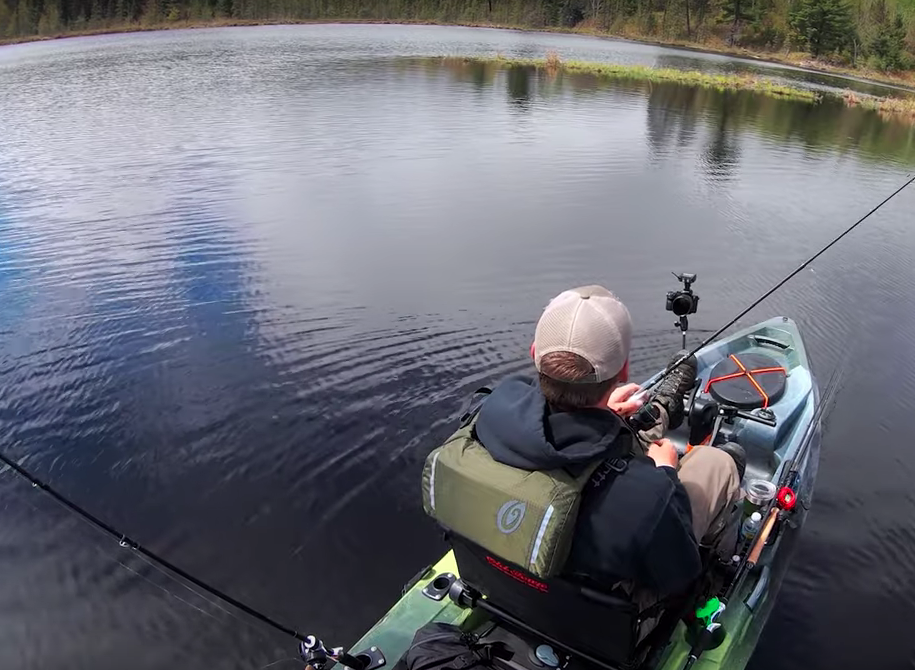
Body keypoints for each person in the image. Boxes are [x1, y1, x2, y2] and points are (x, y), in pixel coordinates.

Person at [472, 285, 744, 600]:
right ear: (624, 370)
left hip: (500, 577)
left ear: (535, 354)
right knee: (718, 462)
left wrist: (605, 414)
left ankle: (661, 408)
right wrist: (667, 473)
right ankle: (716, 572)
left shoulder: (484, 413)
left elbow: (556, 432)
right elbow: (680, 569)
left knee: (622, 428)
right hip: (596, 615)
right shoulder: (648, 494)